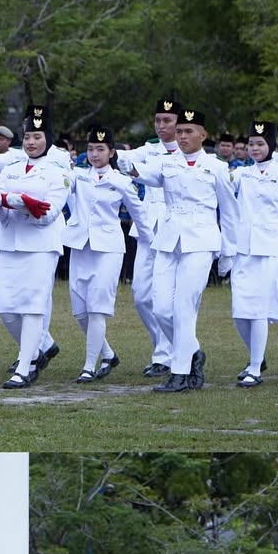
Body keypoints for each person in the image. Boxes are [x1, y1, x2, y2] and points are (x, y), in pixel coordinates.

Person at [126, 107, 238, 393]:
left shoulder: (215, 167)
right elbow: (143, 174)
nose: (183, 136)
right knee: (161, 307)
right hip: (168, 239)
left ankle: (179, 373)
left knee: (184, 306)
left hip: (201, 241)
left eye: (189, 131)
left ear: (203, 135)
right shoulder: (167, 163)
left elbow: (229, 213)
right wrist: (123, 162)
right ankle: (194, 352)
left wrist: (228, 253)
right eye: (180, 131)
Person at [0, 105, 70, 388]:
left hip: (40, 246)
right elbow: (1, 214)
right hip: (9, 243)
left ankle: (25, 366)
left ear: (48, 139)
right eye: (28, 136)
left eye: (37, 137)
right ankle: (38, 349)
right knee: (5, 309)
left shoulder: (58, 173)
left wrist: (16, 201)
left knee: (32, 307)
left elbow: (48, 215)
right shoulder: (11, 170)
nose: (31, 142)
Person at [220, 120, 278, 387]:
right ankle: (256, 357)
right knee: (240, 312)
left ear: (271, 145)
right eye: (251, 144)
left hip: (270, 250)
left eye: (260, 143)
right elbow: (221, 187)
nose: (255, 148)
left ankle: (255, 367)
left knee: (258, 310)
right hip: (244, 249)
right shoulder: (241, 174)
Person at [63, 126, 148, 382]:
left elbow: (139, 213)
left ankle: (89, 365)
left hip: (108, 248)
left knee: (97, 308)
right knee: (80, 311)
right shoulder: (78, 176)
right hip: (81, 246)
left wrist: (150, 243)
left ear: (111, 152)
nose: (95, 154)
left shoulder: (121, 181)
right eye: (90, 149)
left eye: (100, 149)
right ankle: (108, 354)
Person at [113, 97, 184, 376]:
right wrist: (118, 157)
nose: (161, 125)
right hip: (149, 228)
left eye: (168, 120)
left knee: (170, 297)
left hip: (177, 228)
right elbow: (127, 159)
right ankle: (164, 347)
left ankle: (167, 355)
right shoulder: (150, 149)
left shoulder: (188, 151)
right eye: (158, 120)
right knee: (142, 295)